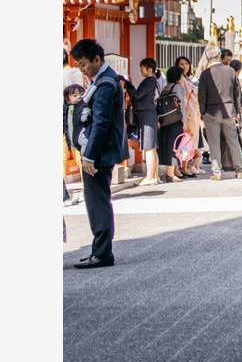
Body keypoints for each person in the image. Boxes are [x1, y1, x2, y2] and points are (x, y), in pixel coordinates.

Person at [70, 38, 128, 269]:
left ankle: (102, 253)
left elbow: (102, 123)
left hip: (100, 153)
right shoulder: (105, 79)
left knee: (98, 203)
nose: (81, 69)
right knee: (99, 201)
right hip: (103, 151)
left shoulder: (104, 84)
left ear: (97, 59)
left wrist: (89, 156)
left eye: (83, 64)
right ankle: (100, 250)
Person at [196, 46, 242, 181]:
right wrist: (237, 112)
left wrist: (202, 112)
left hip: (211, 112)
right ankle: (239, 171)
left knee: (214, 143)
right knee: (233, 141)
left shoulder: (205, 74)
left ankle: (217, 172)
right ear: (219, 57)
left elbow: (202, 96)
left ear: (208, 58)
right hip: (229, 111)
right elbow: (236, 93)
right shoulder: (230, 71)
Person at [157, 66, 188, 182]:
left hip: (165, 121)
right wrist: (184, 121)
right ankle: (170, 175)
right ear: (177, 77)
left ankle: (174, 171)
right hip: (175, 120)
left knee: (169, 145)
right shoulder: (178, 87)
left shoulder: (165, 87)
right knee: (174, 146)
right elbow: (182, 105)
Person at [134, 58, 162, 187]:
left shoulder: (149, 80)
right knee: (152, 147)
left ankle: (150, 177)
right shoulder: (153, 81)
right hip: (149, 113)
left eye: (142, 67)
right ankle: (154, 176)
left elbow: (138, 94)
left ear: (149, 68)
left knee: (149, 147)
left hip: (147, 113)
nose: (141, 70)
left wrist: (127, 84)